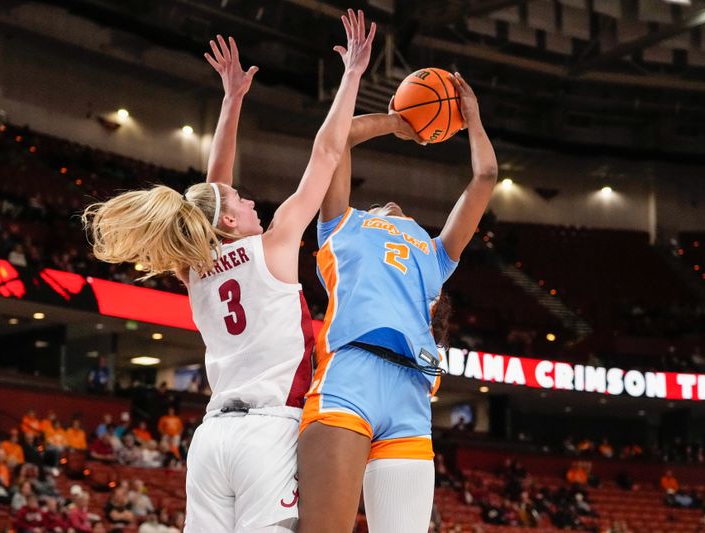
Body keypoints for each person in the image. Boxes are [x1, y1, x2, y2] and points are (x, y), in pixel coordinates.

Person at [82, 11, 374, 533]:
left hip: (213, 438)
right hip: (267, 431)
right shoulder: (275, 243)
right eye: (241, 198)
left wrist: (232, 101)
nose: (250, 198)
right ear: (230, 221)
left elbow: (212, 192)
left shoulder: (196, 266)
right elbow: (328, 150)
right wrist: (352, 74)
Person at [297, 71, 497, 533]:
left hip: (410, 393)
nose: (390, 204)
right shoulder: (340, 225)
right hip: (350, 378)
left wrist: (473, 118)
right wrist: (397, 121)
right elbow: (336, 141)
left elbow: (485, 175)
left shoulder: (435, 253)